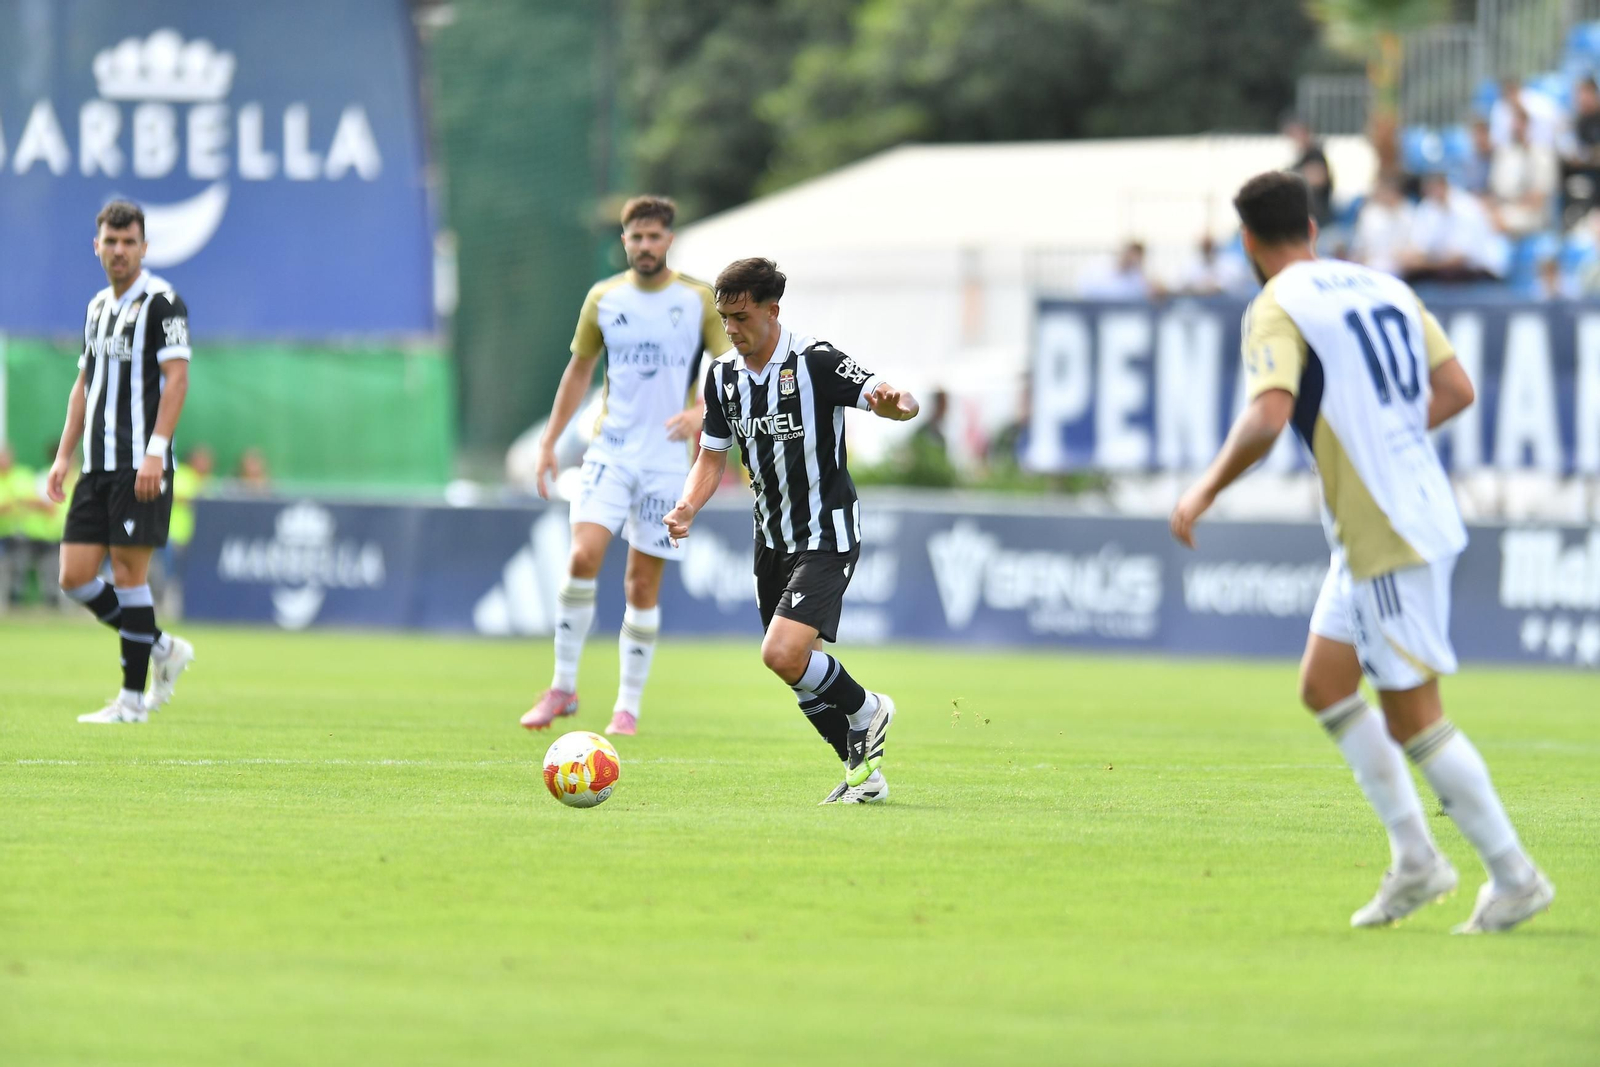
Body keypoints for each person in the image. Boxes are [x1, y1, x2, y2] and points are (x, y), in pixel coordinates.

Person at [1170, 171, 1553, 934]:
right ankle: (1416, 859)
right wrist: (1388, 436)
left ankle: (1515, 876)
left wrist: (1203, 489)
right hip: (1395, 514)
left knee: (1415, 717)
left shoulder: (1277, 303)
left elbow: (1267, 415)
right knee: (1325, 683)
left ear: (1247, 241)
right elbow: (1457, 388)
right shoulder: (1385, 286)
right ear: (1312, 229)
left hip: (1385, 526)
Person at [663, 258, 918, 804]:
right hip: (771, 540)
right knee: (796, 668)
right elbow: (712, 458)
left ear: (772, 310)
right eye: (724, 318)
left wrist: (897, 407)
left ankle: (869, 709)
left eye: (741, 317)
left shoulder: (814, 361)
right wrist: (687, 506)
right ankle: (866, 779)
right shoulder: (723, 377)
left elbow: (891, 396)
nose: (731, 329)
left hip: (827, 533)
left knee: (780, 653)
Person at [520, 196, 733, 737]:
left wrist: (701, 412)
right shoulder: (604, 297)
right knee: (582, 556)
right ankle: (562, 688)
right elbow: (578, 372)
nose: (645, 245)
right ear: (624, 241)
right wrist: (549, 442)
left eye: (654, 236)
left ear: (669, 240)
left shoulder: (698, 300)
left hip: (667, 461)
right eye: (636, 237)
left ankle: (627, 708)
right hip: (610, 450)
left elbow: (732, 371)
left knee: (641, 585)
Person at [45, 200, 196, 724]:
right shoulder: (96, 308)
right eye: (111, 241)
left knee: (130, 575)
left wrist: (156, 450)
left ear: (144, 248)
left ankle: (131, 702)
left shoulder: (163, 303)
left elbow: (177, 380)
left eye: (129, 242)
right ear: (97, 246)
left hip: (139, 464)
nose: (119, 250)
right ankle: (162, 647)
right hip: (97, 465)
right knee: (74, 576)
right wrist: (63, 456)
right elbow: (84, 385)